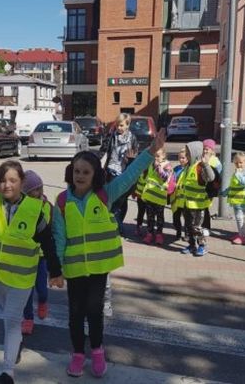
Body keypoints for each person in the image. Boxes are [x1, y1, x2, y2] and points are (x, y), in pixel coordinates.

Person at [53, 129, 166, 378]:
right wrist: (57, 270)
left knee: (94, 311)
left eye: (85, 172)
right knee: (75, 314)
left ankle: (96, 350)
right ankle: (77, 354)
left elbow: (129, 176)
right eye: (76, 171)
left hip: (98, 268)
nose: (80, 175)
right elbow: (59, 238)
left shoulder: (105, 195)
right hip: (73, 269)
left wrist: (150, 152)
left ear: (95, 176)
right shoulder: (61, 201)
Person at [0, 151, 63, 384]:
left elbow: (48, 242)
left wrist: (55, 272)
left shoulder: (35, 209)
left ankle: (8, 372)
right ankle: (14, 343)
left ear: (22, 183)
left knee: (10, 319)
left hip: (21, 278)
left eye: (13, 180)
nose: (7, 185)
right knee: (11, 321)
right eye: (3, 180)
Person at [98, 113, 138, 317]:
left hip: (125, 173)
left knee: (121, 203)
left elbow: (135, 157)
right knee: (112, 203)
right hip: (111, 171)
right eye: (118, 125)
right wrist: (97, 163)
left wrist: (132, 162)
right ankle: (114, 224)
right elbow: (104, 152)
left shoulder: (132, 138)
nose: (120, 128)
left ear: (128, 125)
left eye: (122, 125)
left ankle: (118, 223)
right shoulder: (112, 136)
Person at [19, 170, 51, 335]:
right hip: (25, 256)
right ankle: (28, 318)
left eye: (40, 188)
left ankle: (43, 302)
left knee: (42, 289)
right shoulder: (21, 207)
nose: (38, 192)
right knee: (27, 291)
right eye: (34, 190)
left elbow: (52, 230)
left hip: (42, 256)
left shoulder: (47, 206)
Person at [179, 141, 216, 257]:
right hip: (188, 203)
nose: (187, 155)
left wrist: (206, 164)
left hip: (198, 205)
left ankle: (202, 245)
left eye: (188, 153)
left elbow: (211, 178)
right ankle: (191, 245)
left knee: (197, 227)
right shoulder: (188, 166)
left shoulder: (200, 166)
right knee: (189, 226)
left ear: (195, 153)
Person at [141, 147, 175, 246]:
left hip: (159, 198)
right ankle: (150, 233)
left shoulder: (167, 165)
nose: (156, 158)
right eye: (154, 156)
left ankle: (159, 234)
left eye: (158, 156)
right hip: (150, 195)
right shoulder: (151, 164)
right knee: (150, 217)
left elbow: (165, 178)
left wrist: (159, 168)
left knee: (159, 217)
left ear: (163, 156)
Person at [225, 152, 245, 245]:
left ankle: (242, 237)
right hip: (236, 199)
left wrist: (238, 174)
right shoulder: (238, 171)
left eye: (241, 163)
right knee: (239, 218)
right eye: (236, 163)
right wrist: (226, 191)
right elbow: (233, 184)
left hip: (242, 200)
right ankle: (240, 234)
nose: (238, 165)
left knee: (240, 218)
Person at [201, 139, 221, 231]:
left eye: (207, 149)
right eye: (204, 149)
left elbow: (219, 174)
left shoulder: (215, 161)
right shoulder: (201, 158)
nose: (205, 151)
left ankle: (206, 226)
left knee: (205, 207)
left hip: (211, 188)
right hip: (202, 187)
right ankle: (201, 225)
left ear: (212, 150)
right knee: (202, 207)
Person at [171, 148, 188, 240]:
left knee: (187, 218)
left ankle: (187, 234)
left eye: (183, 158)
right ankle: (178, 231)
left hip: (185, 199)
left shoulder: (189, 169)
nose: (181, 160)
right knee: (176, 217)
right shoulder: (176, 169)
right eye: (180, 158)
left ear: (188, 159)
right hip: (176, 199)